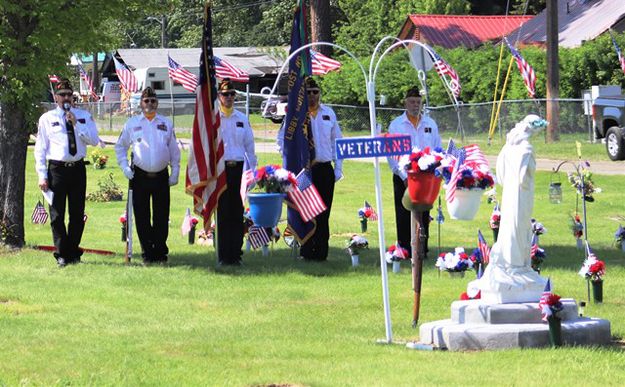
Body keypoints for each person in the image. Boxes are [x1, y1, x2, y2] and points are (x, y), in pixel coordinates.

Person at [34, 79, 100, 267]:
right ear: (56, 97)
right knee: (57, 215)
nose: (66, 98)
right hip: (57, 170)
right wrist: (42, 175)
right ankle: (62, 253)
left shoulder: (83, 116)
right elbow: (40, 149)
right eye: (62, 95)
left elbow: (94, 140)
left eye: (69, 94)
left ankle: (73, 250)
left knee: (77, 214)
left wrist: (77, 124)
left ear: (73, 97)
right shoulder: (47, 118)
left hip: (77, 169)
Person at [278, 77, 343, 261]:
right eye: (308, 92)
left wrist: (338, 168)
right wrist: (291, 162)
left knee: (324, 212)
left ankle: (321, 252)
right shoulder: (297, 115)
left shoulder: (328, 113)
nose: (312, 95)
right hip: (305, 171)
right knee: (306, 211)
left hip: (324, 169)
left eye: (315, 92)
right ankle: (306, 251)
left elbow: (337, 142)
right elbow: (282, 140)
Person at [115, 87, 181, 265]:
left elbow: (174, 151)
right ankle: (147, 252)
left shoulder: (166, 123)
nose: (149, 104)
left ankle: (160, 252)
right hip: (140, 177)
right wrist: (124, 167)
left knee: (161, 216)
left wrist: (175, 172)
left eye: (153, 100)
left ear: (157, 103)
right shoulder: (132, 123)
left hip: (160, 176)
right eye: (146, 101)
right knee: (142, 216)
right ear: (141, 103)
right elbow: (120, 147)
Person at [387, 87, 441, 257]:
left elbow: (437, 148)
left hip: (425, 177)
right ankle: (404, 249)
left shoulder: (430, 124)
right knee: (403, 213)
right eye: (412, 101)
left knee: (424, 213)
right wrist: (403, 176)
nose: (415, 105)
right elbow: (391, 154)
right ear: (405, 102)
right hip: (403, 176)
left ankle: (421, 248)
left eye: (418, 102)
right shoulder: (396, 124)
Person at [215, 78, 257, 266]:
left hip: (239, 170)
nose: (229, 97)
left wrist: (253, 172)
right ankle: (224, 255)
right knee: (223, 213)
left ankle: (236, 253)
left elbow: (250, 147)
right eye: (225, 94)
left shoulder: (242, 118)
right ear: (219, 96)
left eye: (232, 94)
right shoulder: (214, 119)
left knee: (237, 212)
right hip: (221, 170)